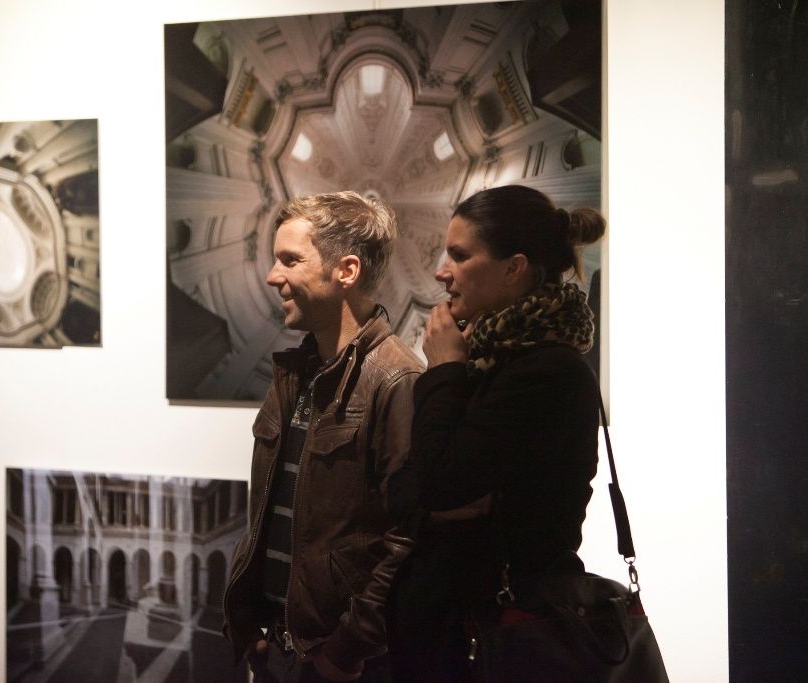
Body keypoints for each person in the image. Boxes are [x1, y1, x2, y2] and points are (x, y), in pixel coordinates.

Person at [386, 184, 605, 681]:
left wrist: (444, 368)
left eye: (460, 256)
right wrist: (432, 498)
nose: (442, 272)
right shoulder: (488, 356)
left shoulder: (547, 371)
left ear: (514, 268)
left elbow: (435, 481)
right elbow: (402, 490)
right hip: (458, 632)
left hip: (503, 637)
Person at [223, 191, 423, 682]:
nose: (273, 276)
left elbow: (408, 539)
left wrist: (347, 649)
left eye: (290, 260)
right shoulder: (296, 373)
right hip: (277, 646)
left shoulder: (396, 380)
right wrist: (250, 619)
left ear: (346, 271)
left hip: (338, 664)